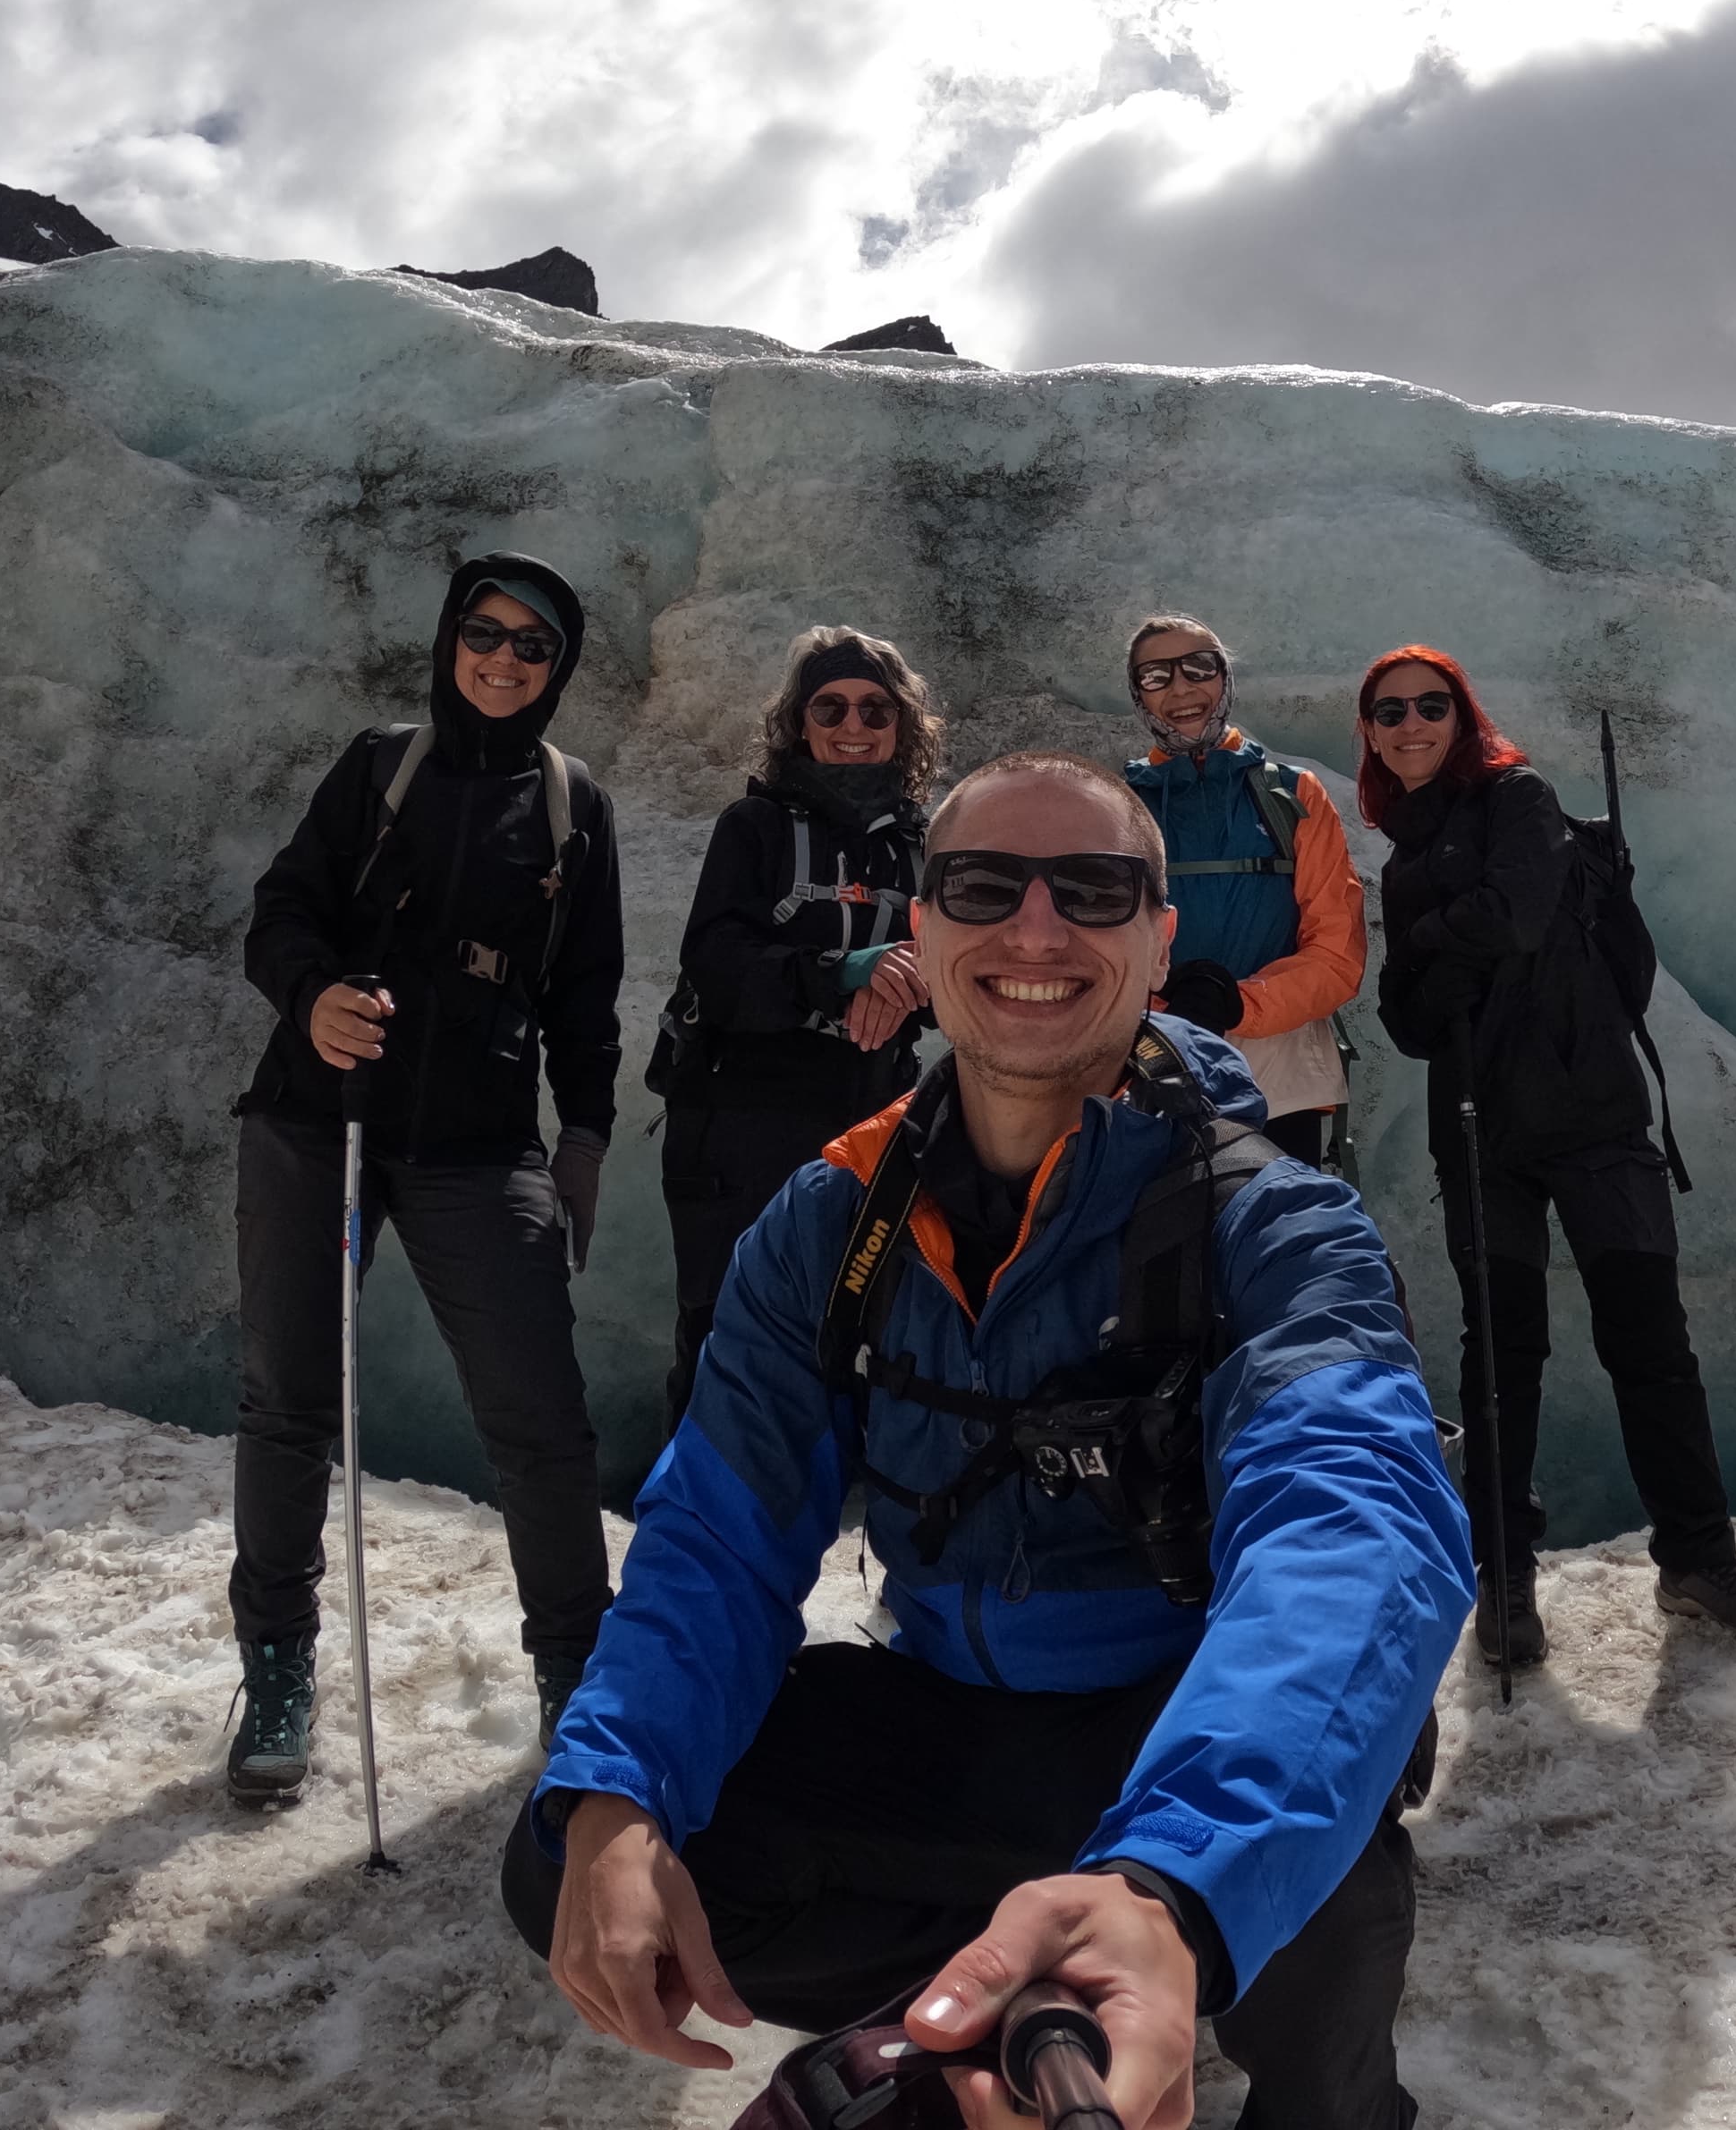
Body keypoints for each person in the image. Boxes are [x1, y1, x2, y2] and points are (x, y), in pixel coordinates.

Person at [509, 751, 1469, 2130]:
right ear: (921, 922)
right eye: (982, 885)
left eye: (1093, 889)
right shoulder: (834, 1222)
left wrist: (1170, 1879)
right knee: (577, 1849)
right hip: (955, 1721)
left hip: (1176, 1715)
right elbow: (720, 1535)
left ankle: (1269, 2057)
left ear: (1159, 939)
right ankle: (998, 2017)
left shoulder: (1274, 1226)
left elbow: (1355, 1526)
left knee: (1322, 1886)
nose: (1035, 930)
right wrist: (620, 1783)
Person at [222, 554, 624, 1801]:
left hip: (479, 1140)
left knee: (539, 1423)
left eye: (534, 646)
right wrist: (312, 997)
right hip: (317, 1118)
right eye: (485, 634)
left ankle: (578, 1673)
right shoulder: (377, 766)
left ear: (558, 669)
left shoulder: (573, 804)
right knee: (290, 1403)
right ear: (450, 637)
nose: (504, 660)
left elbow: (585, 994)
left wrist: (585, 1139)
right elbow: (281, 914)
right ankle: (278, 1671)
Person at [1360, 644, 1736, 1669]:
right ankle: (1504, 1578)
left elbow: (1512, 917)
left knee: (1650, 1342)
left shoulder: (1520, 795)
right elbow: (1407, 1021)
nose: (1411, 724)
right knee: (1500, 1360)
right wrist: (1438, 961)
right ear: (1372, 735)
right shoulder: (1402, 856)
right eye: (1390, 713)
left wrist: (1436, 947)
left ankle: (1698, 1557)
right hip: (1478, 1126)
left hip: (1595, 1115)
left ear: (1462, 717)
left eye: (1432, 706)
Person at [651, 626, 940, 1430]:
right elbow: (715, 959)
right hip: (740, 1119)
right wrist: (845, 974)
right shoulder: (756, 827)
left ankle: (838, 1525)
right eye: (831, 706)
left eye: (877, 710)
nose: (854, 726)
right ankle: (707, 1529)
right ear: (800, 723)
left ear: (901, 726)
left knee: (861, 1331)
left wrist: (909, 976)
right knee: (727, 1329)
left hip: (873, 1115)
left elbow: (963, 969)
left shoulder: (925, 845)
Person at [1120, 616, 1368, 1175]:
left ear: (1225, 678)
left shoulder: (1291, 795)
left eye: (1199, 668)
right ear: (1139, 695)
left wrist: (1237, 1004)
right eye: (1157, 676)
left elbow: (1336, 952)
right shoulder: (1119, 805)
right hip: (1152, 1061)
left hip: (1279, 1074)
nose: (1182, 689)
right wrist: (1172, 1017)